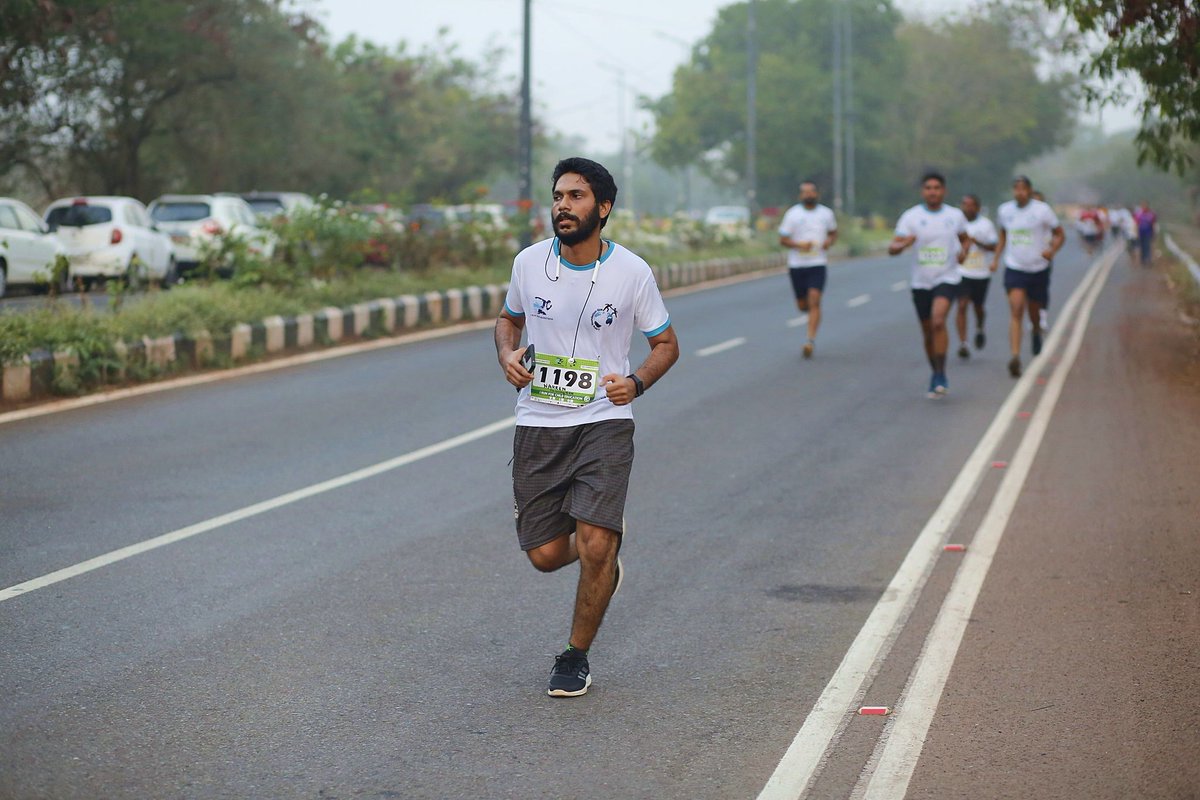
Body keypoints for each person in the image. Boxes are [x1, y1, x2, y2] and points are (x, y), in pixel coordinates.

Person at [494, 157, 680, 697]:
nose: (562, 206)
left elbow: (665, 344)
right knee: (547, 556)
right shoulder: (528, 264)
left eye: (576, 196)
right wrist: (507, 355)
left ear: (603, 208)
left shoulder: (632, 272)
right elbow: (509, 320)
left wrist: (637, 383)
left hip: (604, 419)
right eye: (557, 196)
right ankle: (596, 552)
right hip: (539, 423)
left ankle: (575, 655)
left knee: (597, 543)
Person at [888, 172, 970, 398]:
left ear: (944, 191)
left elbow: (965, 238)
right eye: (928, 188)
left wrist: (964, 253)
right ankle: (935, 371)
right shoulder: (911, 217)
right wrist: (904, 243)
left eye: (936, 187)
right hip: (921, 281)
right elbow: (893, 249)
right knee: (927, 332)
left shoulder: (955, 216)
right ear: (923, 191)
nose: (932, 192)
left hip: (947, 277)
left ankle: (942, 373)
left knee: (937, 321)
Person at [992, 176, 1064, 377]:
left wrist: (1052, 250)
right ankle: (1015, 356)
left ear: (1030, 191)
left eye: (1023, 189)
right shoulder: (1005, 211)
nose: (1019, 192)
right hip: (1015, 267)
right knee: (1016, 308)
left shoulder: (1042, 210)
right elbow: (1003, 235)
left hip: (1038, 268)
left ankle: (1034, 330)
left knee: (1034, 311)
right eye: (1016, 189)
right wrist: (996, 258)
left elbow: (1060, 234)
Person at [778, 180, 838, 358]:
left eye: (812, 191)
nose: (808, 195)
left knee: (815, 299)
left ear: (817, 194)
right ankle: (809, 311)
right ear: (800, 195)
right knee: (802, 304)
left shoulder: (826, 214)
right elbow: (782, 239)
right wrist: (798, 245)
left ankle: (809, 340)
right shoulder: (792, 215)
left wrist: (829, 242)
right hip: (797, 264)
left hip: (818, 263)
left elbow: (833, 232)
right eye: (805, 192)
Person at [954, 194, 999, 358]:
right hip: (962, 272)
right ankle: (963, 343)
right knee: (962, 305)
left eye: (971, 205)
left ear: (978, 207)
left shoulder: (985, 225)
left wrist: (977, 242)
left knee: (978, 307)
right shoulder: (957, 224)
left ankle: (979, 327)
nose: (968, 208)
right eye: (965, 204)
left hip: (981, 273)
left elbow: (994, 247)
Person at [1134, 201, 1157, 266]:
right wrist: (1136, 233)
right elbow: (1136, 224)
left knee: (1148, 247)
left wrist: (1154, 233)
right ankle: (1143, 260)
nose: (1144, 207)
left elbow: (1153, 224)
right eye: (1143, 206)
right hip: (1140, 233)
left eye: (1145, 205)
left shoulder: (1151, 214)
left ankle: (1148, 260)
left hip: (1148, 233)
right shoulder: (1138, 214)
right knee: (1142, 247)